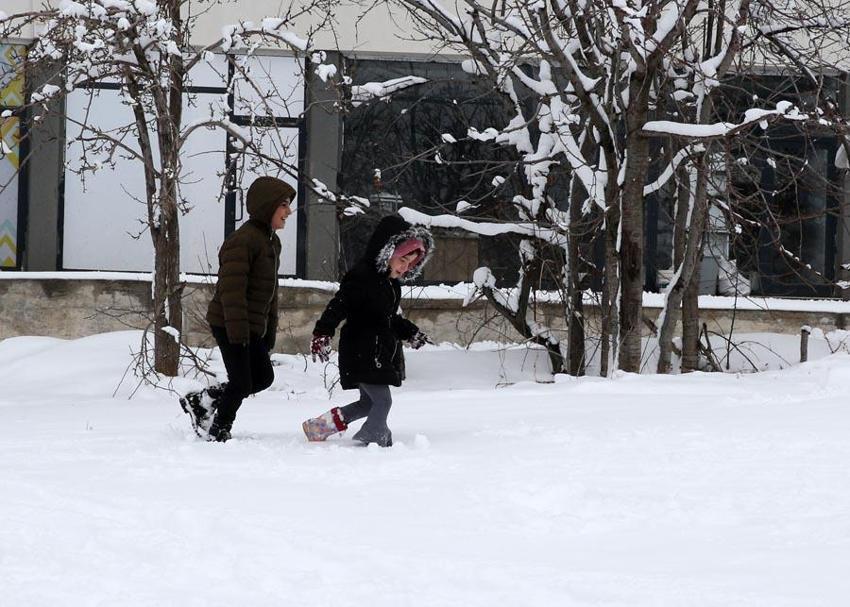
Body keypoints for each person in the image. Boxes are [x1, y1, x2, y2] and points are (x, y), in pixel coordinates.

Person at [302, 213, 434, 447]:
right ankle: (375, 434)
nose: (405, 268)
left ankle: (318, 427)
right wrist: (323, 332)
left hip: (375, 352)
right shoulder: (363, 278)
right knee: (383, 402)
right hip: (362, 351)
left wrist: (410, 332)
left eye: (410, 263)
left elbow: (389, 318)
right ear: (387, 252)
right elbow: (339, 304)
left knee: (368, 404)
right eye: (402, 260)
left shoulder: (390, 284)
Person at [180, 176, 295, 442]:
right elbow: (232, 292)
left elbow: (271, 295)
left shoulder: (270, 242)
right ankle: (218, 427)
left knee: (263, 377)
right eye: (284, 205)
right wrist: (239, 333)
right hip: (230, 322)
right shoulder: (243, 241)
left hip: (251, 325)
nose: (289, 212)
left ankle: (202, 400)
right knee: (242, 381)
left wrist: (268, 331)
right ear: (268, 206)